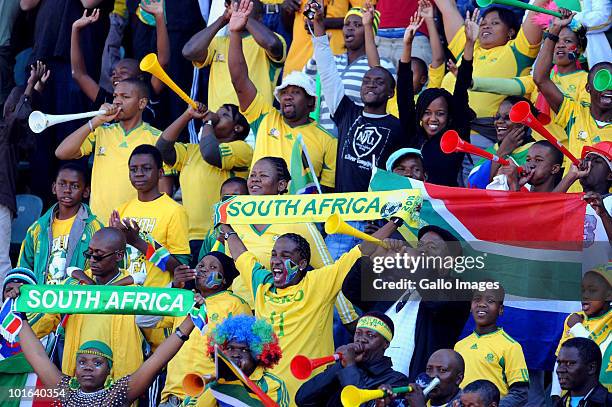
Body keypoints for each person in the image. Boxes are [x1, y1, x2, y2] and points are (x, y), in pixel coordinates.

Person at [220, 219, 396, 402]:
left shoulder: (319, 283)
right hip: (268, 394)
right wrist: (226, 228)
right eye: (274, 254)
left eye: (285, 256)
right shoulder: (261, 283)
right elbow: (241, 256)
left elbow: (361, 250)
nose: (276, 261)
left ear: (302, 263)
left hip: (309, 395)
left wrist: (395, 222)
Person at [209, 157, 358, 337]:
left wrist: (351, 322)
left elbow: (331, 272)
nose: (254, 179)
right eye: (252, 175)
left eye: (263, 175)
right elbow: (223, 271)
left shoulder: (298, 221)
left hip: (281, 318)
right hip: (239, 319)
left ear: (281, 185)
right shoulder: (234, 222)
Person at [6, 281, 196, 406]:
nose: (88, 368)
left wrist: (190, 321)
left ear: (109, 370)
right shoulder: (66, 391)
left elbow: (157, 361)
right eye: (82, 362)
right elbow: (37, 356)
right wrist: (18, 310)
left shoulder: (118, 393)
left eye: (97, 363)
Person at [227, 0, 337, 191]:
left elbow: (326, 192)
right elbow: (239, 80)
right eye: (284, 92)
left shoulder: (328, 140)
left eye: (295, 92)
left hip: (299, 219)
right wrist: (235, 33)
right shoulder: (265, 119)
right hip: (260, 216)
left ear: (312, 102)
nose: (287, 96)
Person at [342, 225, 471, 381]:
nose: (422, 251)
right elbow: (352, 289)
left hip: (407, 388)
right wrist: (375, 259)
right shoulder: (397, 282)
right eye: (420, 246)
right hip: (363, 377)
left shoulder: (459, 290)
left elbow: (437, 301)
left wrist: (415, 265)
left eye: (431, 248)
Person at [29, 227, 146, 381]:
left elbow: (157, 340)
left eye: (98, 256)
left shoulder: (135, 293)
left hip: (120, 387)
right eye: (89, 253)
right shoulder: (73, 286)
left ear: (119, 256)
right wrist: (17, 298)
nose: (91, 260)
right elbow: (37, 327)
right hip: (76, 385)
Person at [137, 252, 251, 407]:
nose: (204, 269)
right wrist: (174, 287)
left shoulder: (234, 304)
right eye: (201, 265)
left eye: (212, 267)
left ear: (224, 279)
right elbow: (142, 319)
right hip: (170, 397)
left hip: (205, 397)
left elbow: (243, 355)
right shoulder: (184, 300)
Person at [55, 78, 173, 224]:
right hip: (98, 224)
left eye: (125, 97)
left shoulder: (157, 138)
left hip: (135, 226)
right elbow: (61, 152)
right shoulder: (101, 131)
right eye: (115, 96)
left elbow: (164, 187)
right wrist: (95, 122)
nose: (117, 101)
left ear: (142, 103)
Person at [156, 101, 252, 266]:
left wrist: (208, 121)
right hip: (185, 238)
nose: (216, 116)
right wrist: (187, 115)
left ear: (237, 128)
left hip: (219, 237)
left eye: (224, 115)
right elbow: (162, 148)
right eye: (217, 112)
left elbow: (210, 153)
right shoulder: (191, 150)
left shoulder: (242, 148)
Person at [434, 0, 545, 141]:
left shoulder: (517, 51)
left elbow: (538, 8)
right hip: (446, 135)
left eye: (495, 23)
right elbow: (447, 7)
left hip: (486, 138)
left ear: (510, 31)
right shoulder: (469, 44)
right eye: (483, 23)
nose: (486, 26)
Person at [533, 11, 612, 192]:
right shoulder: (574, 112)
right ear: (588, 88)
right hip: (571, 208)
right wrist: (553, 31)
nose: (608, 88)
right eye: (602, 80)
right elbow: (540, 78)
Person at [399, 10, 476, 187]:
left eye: (440, 113)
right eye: (427, 113)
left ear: (449, 117)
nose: (433, 119)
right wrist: (407, 45)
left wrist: (470, 44)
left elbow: (462, 87)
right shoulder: (412, 134)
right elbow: (404, 93)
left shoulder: (455, 136)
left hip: (444, 208)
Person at [303, 4, 396, 137]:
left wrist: (367, 24)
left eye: (358, 25)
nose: (350, 28)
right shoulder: (333, 60)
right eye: (347, 24)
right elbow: (305, 81)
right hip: (322, 138)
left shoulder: (384, 65)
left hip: (356, 137)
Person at [70, 2, 169, 126]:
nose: (115, 76)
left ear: (139, 78)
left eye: (123, 72)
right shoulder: (107, 100)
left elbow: (163, 62)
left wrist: (159, 16)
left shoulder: (148, 95)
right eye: (114, 73)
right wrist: (75, 29)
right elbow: (78, 74)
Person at [183, 0, 286, 112]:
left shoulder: (270, 40)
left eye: (245, 5)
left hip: (256, 123)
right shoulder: (218, 42)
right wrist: (222, 19)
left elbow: (272, 45)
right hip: (219, 122)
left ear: (260, 17)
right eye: (237, 5)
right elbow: (189, 52)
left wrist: (242, 17)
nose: (238, 8)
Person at [111, 144, 190, 289]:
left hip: (154, 300)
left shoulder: (174, 211)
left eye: (146, 168)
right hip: (122, 298)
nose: (139, 173)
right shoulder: (121, 210)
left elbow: (182, 269)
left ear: (160, 173)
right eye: (133, 169)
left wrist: (137, 241)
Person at [295, 312, 409, 406]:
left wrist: (350, 367)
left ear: (385, 344)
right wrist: (340, 365)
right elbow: (302, 399)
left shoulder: (397, 380)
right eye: (358, 333)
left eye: (370, 335)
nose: (361, 339)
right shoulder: (342, 367)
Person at [18, 164, 103, 285]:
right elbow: (24, 268)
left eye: (75, 186)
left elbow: (103, 269)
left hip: (77, 300)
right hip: (41, 299)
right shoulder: (37, 228)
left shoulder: (95, 228)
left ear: (85, 191)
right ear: (54, 188)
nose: (67, 190)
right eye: (62, 184)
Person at [0, 62, 47, 282]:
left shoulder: (10, 137)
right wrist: (33, 90)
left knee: (0, 262)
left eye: (14, 100)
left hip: (1, 203)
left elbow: (21, 118)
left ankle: (5, 313)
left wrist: (30, 88)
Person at [454, 286, 529, 407]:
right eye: (477, 299)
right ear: (470, 306)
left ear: (500, 309)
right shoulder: (460, 346)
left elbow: (520, 393)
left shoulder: (511, 346)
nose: (482, 304)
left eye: (490, 301)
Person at [195, 315, 290, 406]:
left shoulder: (272, 384)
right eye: (229, 348)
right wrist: (218, 385)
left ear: (258, 356)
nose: (235, 354)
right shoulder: (210, 382)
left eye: (244, 350)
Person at [552, 267, 612, 396]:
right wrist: (555, 395)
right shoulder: (573, 318)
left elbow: (595, 354)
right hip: (569, 397)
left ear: (608, 295)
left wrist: (577, 328)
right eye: (582, 290)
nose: (585, 295)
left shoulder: (576, 323)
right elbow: (560, 359)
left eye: (592, 291)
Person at [554, 142, 612, 271]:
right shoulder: (569, 200)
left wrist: (603, 214)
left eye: (597, 161)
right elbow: (542, 213)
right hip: (567, 277)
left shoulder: (610, 201)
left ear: (610, 175)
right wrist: (571, 176)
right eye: (587, 159)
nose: (588, 164)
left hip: (599, 283)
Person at [282, 0, 366, 76]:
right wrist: (285, 9)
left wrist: (323, 23)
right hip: (298, 64)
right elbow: (288, 27)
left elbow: (367, 17)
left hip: (334, 63)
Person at [467, 97, 536, 189]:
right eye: (497, 117)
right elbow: (474, 187)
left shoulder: (536, 151)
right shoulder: (490, 151)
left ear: (524, 122)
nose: (498, 121)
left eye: (507, 117)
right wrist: (502, 152)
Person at [0, 267, 39, 407]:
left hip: (29, 391)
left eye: (22, 291)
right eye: (9, 290)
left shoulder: (47, 329)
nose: (14, 294)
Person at [375, 349, 465, 407]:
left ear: (458, 379)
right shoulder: (411, 401)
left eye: (442, 370)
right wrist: (382, 404)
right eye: (429, 369)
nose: (432, 375)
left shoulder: (467, 404)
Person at [554, 337, 612, 406]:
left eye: (569, 363)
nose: (560, 370)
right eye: (559, 363)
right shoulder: (560, 404)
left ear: (591, 368)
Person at [494, 141, 564, 192]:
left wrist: (513, 184)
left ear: (555, 169)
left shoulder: (561, 202)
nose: (531, 165)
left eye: (538, 160)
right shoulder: (520, 189)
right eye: (528, 160)